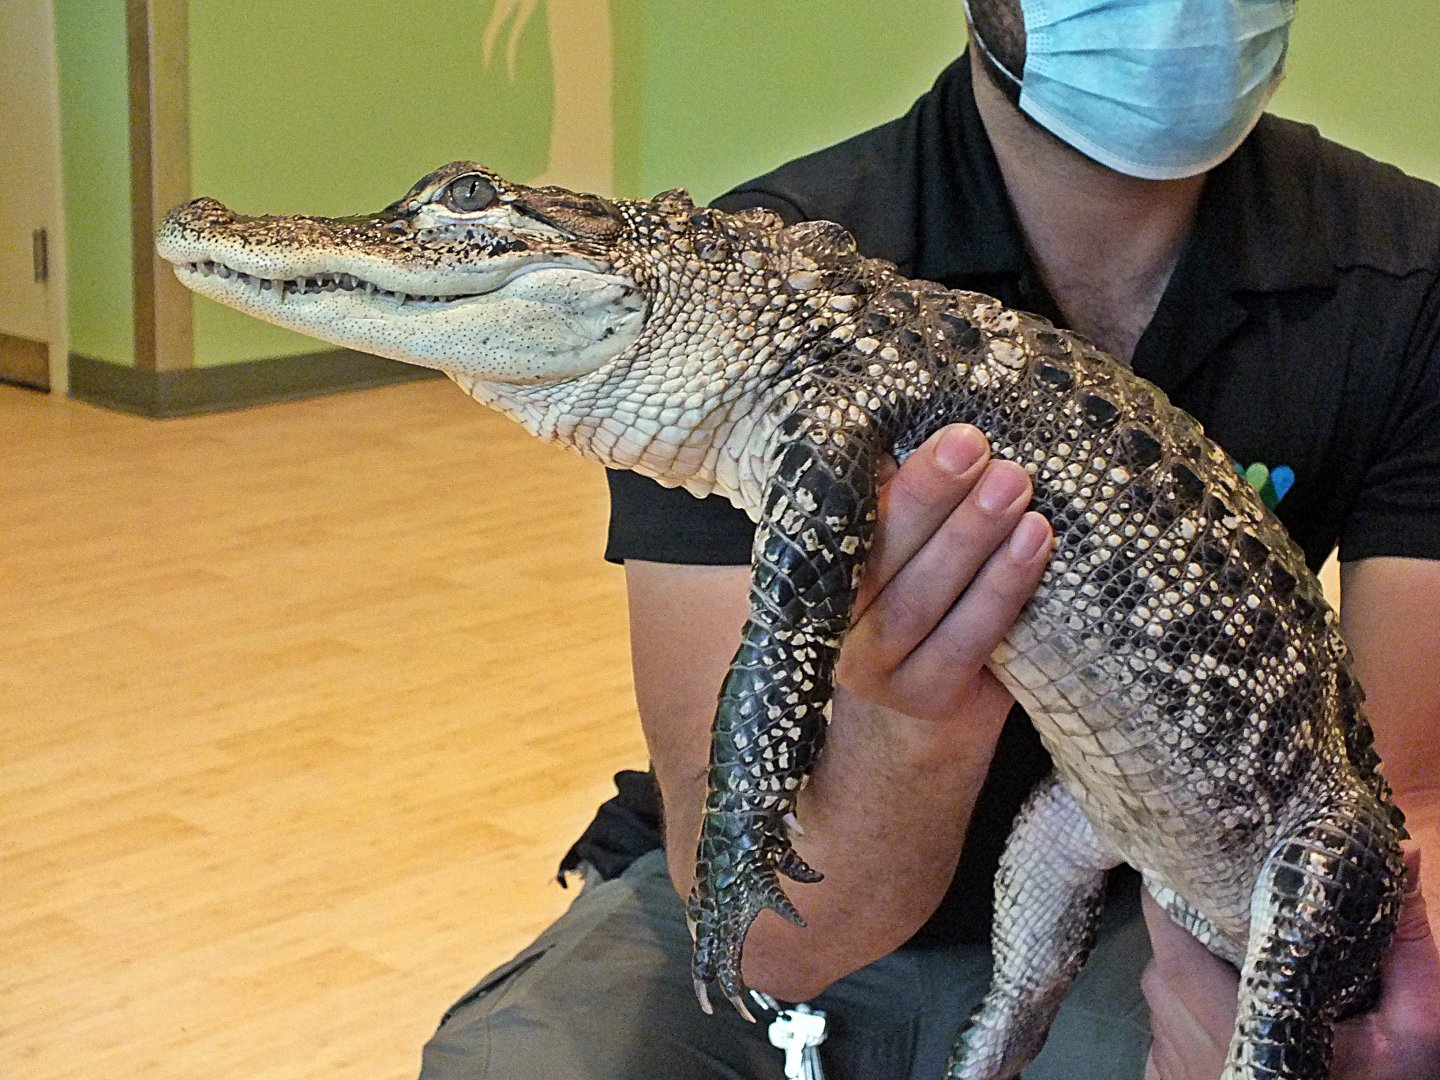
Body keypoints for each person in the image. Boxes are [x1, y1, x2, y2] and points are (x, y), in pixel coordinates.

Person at [419, 1, 1440, 1077]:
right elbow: (775, 932)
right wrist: (913, 714)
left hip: (1152, 876)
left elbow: (1401, 799)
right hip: (803, 866)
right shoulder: (742, 289)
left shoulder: (1409, 276)